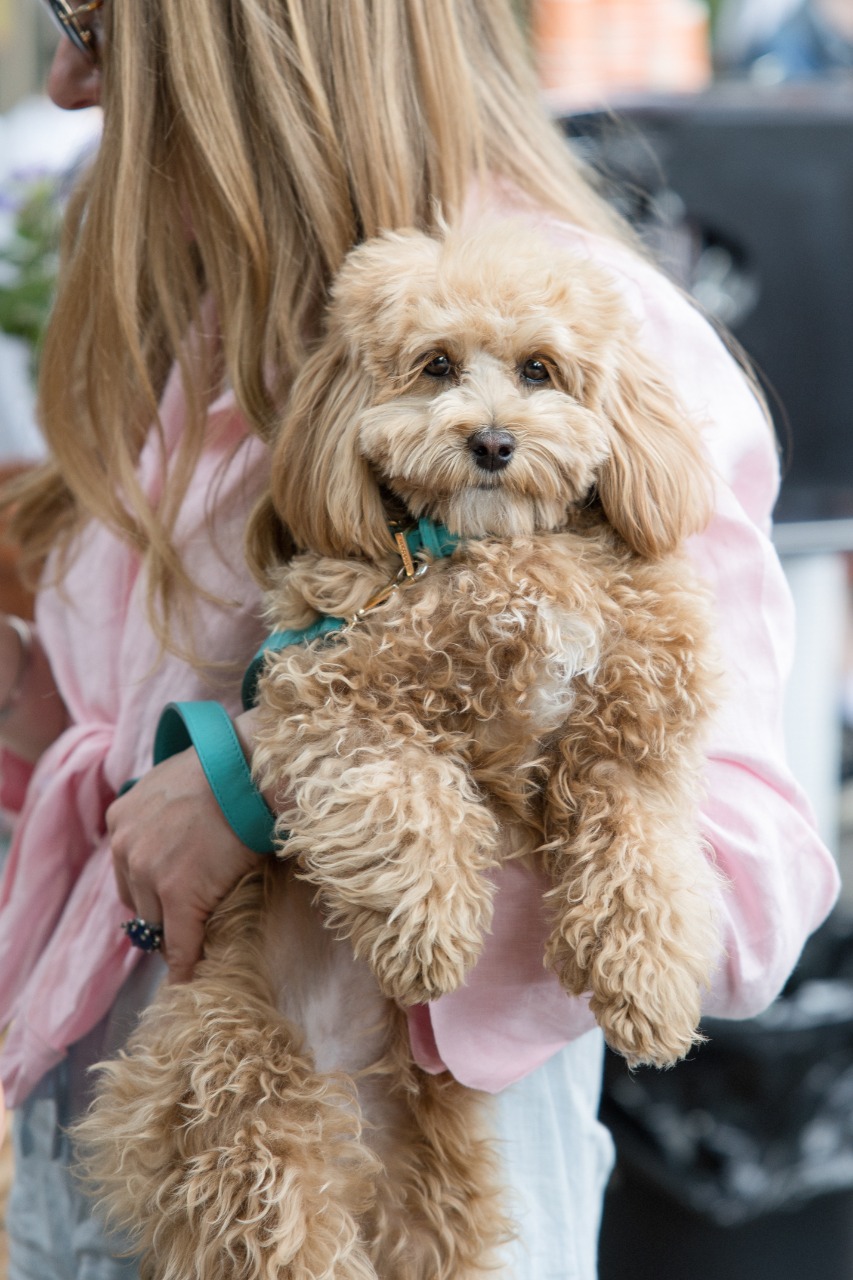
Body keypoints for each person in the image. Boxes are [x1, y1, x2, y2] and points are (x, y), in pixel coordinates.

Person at [0, 2, 840, 1277]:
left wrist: (273, 782)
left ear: (248, 47)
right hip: (119, 1160)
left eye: (91, 21)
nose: (66, 84)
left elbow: (743, 891)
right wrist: (33, 714)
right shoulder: (198, 330)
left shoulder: (595, 332)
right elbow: (130, 789)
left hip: (396, 1188)